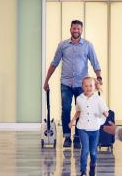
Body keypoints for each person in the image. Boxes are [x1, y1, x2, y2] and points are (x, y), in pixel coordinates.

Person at [43, 20, 102, 149]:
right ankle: (67, 136)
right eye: (74, 28)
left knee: (82, 110)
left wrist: (99, 77)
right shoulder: (63, 45)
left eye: (78, 29)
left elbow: (95, 63)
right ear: (70, 29)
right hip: (66, 84)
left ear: (82, 30)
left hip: (82, 85)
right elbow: (54, 63)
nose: (76, 31)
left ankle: (77, 137)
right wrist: (46, 80)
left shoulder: (88, 45)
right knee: (66, 109)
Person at [70, 76, 110, 176]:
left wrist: (105, 113)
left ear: (94, 87)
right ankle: (83, 171)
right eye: (86, 86)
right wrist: (72, 121)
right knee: (85, 150)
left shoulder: (98, 99)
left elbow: (105, 110)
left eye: (90, 86)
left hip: (95, 129)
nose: (88, 88)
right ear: (82, 87)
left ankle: (93, 165)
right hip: (82, 128)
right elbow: (78, 112)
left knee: (93, 152)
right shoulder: (79, 99)